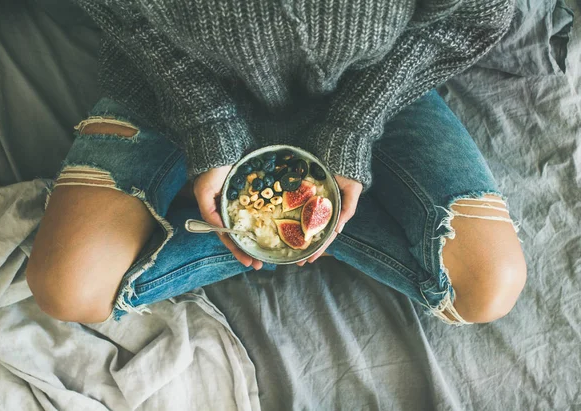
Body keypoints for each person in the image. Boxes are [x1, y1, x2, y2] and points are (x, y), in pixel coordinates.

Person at [26, 0, 527, 325]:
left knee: (486, 287)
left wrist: (355, 125)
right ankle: (307, 227)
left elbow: (476, 13)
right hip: (169, 85)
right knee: (67, 289)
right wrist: (206, 125)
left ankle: (292, 228)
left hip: (369, 85)